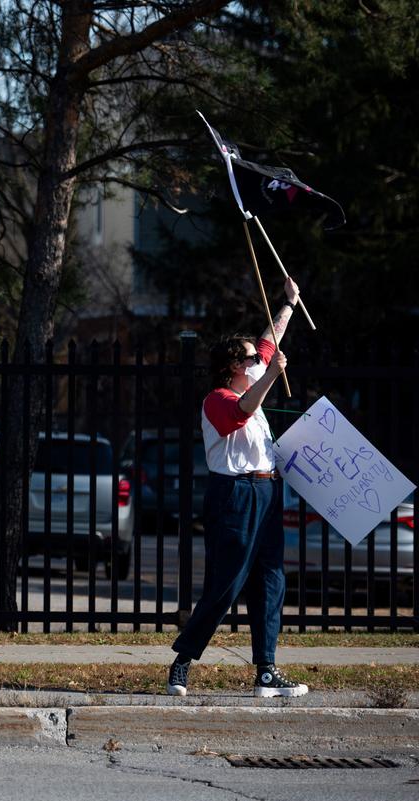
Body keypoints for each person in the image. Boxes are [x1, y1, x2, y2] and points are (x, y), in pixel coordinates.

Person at [167, 278, 309, 698]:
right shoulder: (217, 400)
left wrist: (289, 303)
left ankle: (266, 670)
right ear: (233, 367)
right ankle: (182, 662)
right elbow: (245, 410)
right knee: (226, 585)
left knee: (271, 581)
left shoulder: (254, 371)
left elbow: (269, 340)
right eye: (249, 360)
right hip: (234, 496)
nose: (258, 362)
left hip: (266, 492)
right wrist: (273, 375)